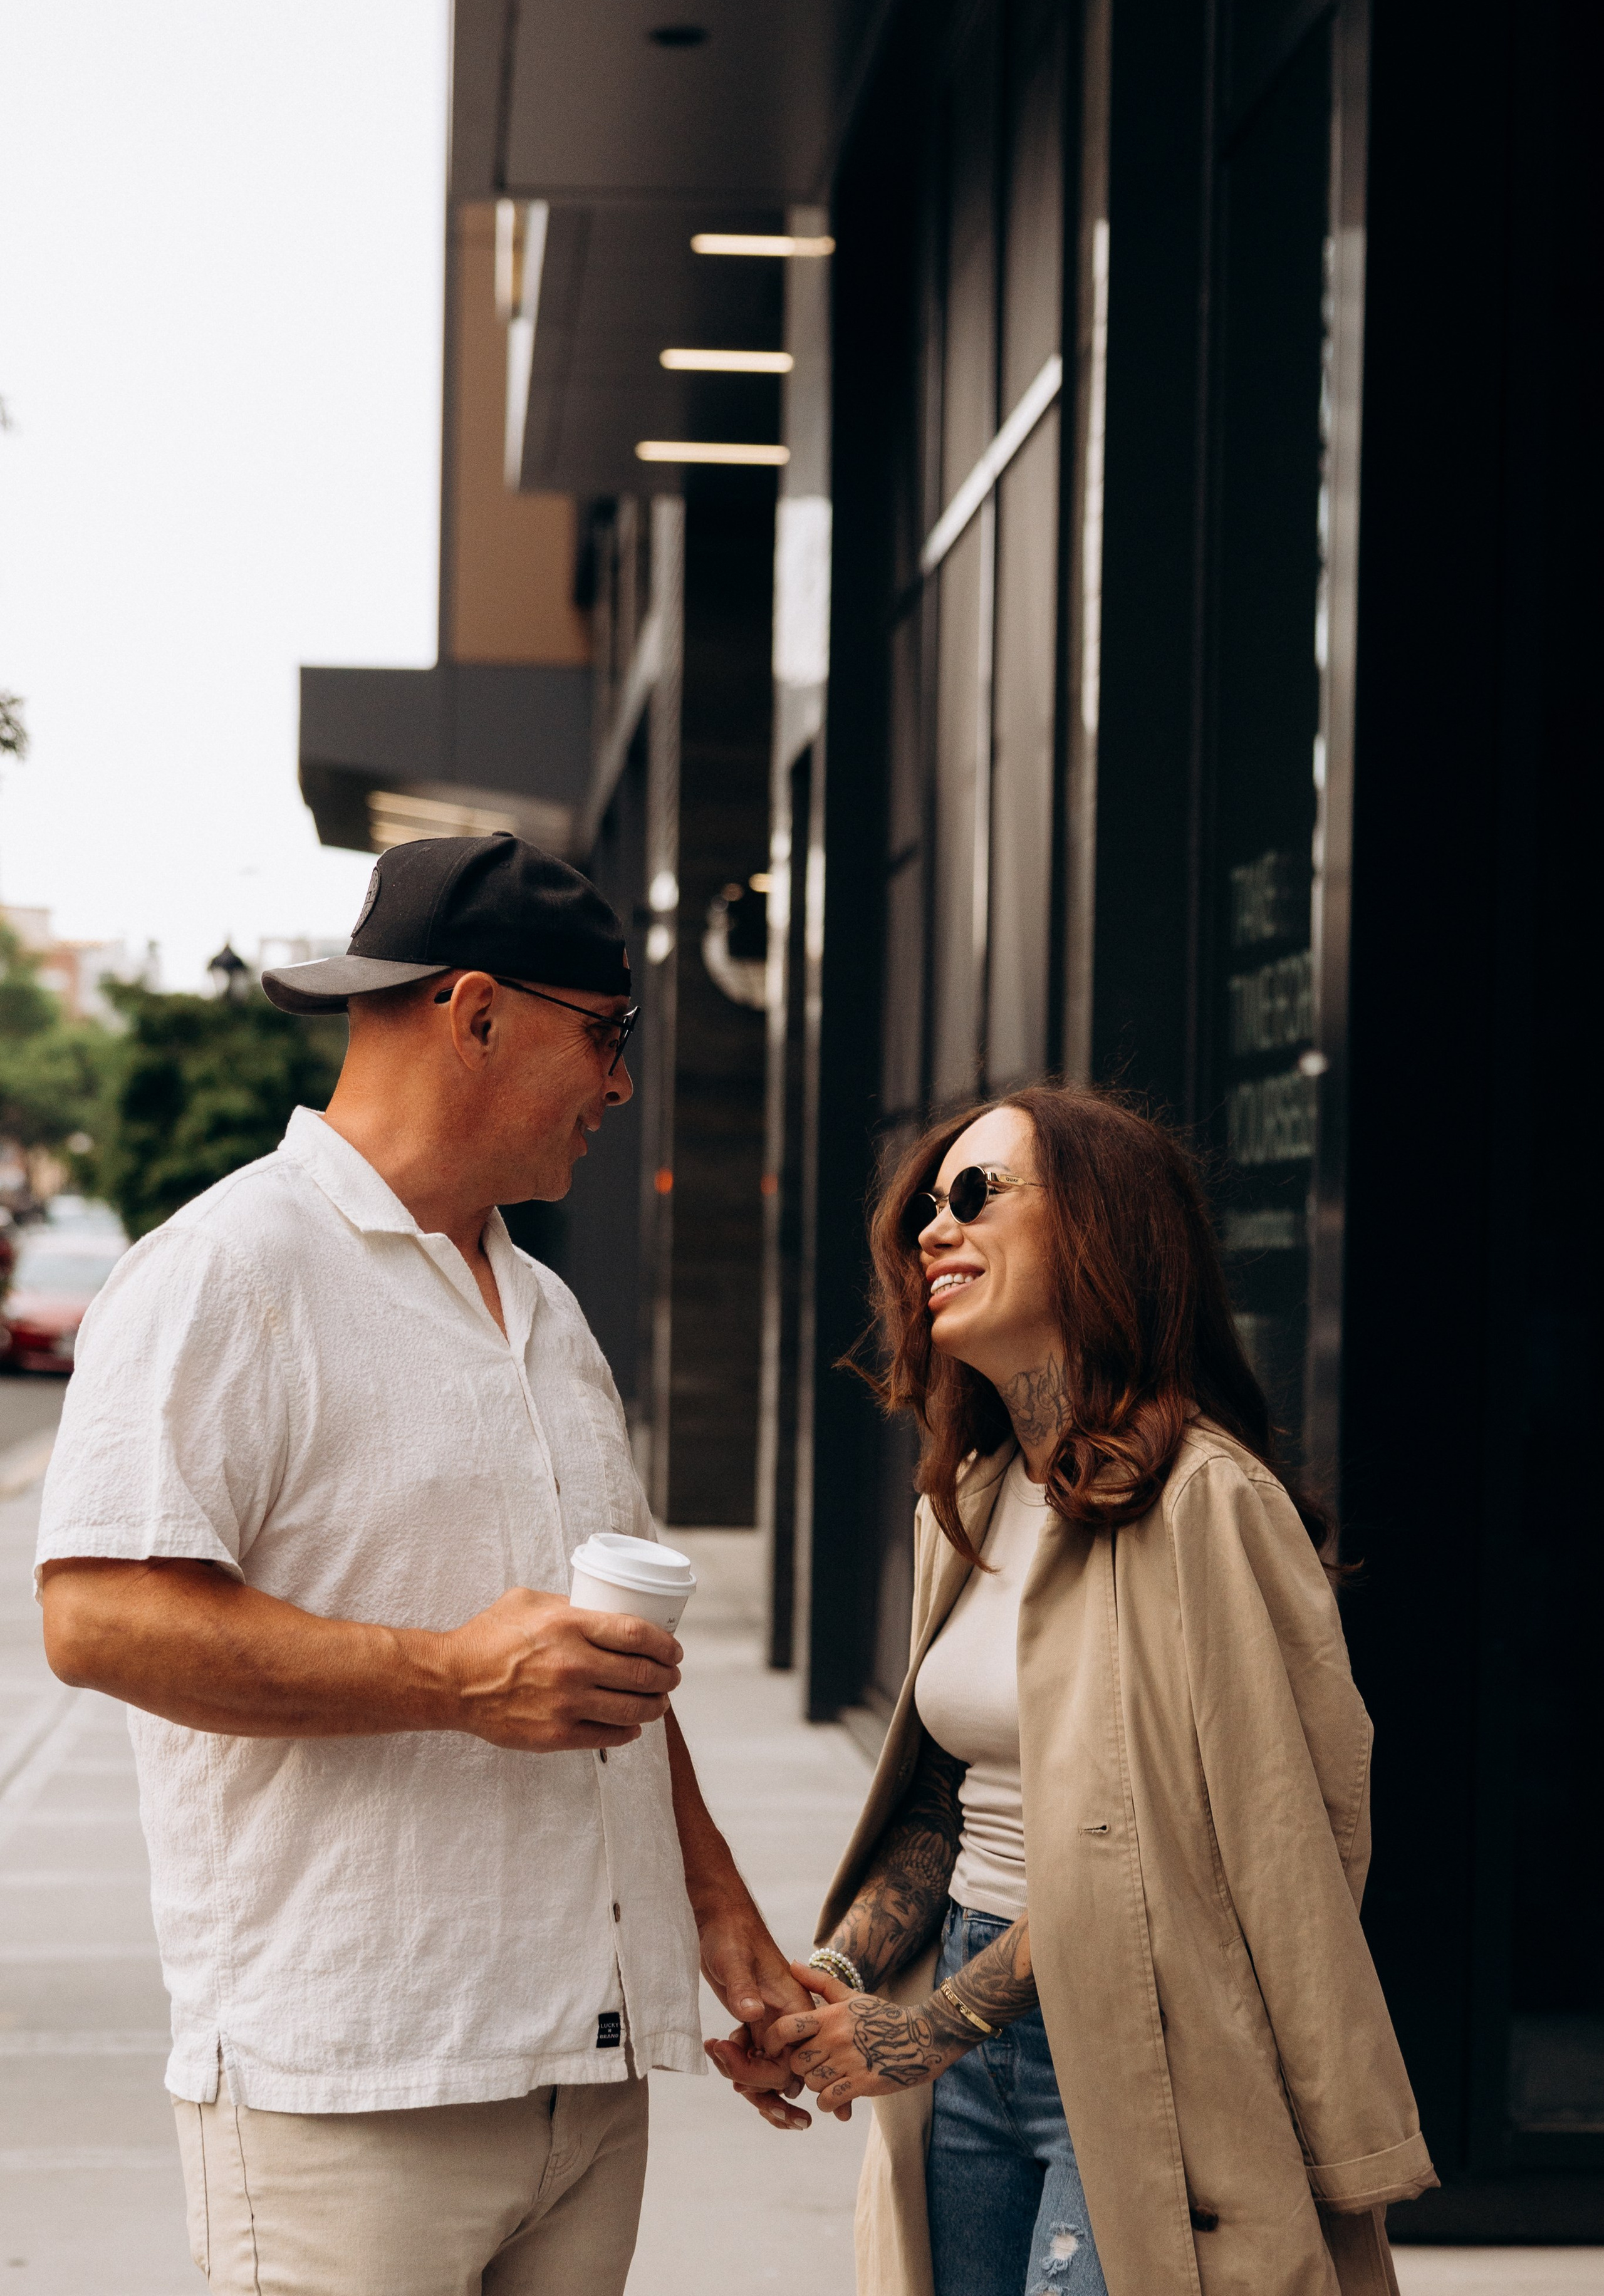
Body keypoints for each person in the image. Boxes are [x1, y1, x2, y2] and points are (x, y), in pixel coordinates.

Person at [36, 832, 806, 2296]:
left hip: (587, 2078)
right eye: (609, 1036)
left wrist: (714, 1917)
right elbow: (97, 1620)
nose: (621, 1086)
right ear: (474, 1012)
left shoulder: (548, 1309)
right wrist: (455, 1678)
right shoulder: (224, 1269)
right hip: (348, 2088)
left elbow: (608, 1671)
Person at [712, 1084, 1435, 2296]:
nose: (935, 1232)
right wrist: (833, 1985)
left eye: (979, 1195)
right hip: (965, 2036)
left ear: (1103, 1229)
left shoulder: (1207, 1503)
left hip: (1146, 2048)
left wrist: (930, 2026)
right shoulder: (975, 1502)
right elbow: (944, 1806)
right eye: (929, 1210)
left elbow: (1213, 1853)